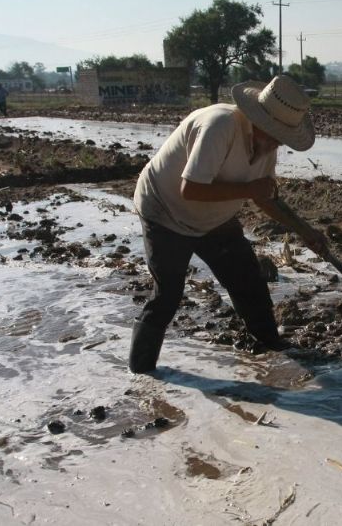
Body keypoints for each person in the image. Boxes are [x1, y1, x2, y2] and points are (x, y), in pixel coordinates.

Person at [129, 75, 324, 374]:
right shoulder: (219, 126)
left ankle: (272, 345)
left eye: (282, 137)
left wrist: (306, 232)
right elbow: (190, 189)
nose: (276, 142)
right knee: (168, 293)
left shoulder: (266, 145)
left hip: (213, 218)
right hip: (164, 210)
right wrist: (249, 190)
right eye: (274, 133)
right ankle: (141, 373)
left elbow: (264, 196)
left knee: (247, 279)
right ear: (258, 118)